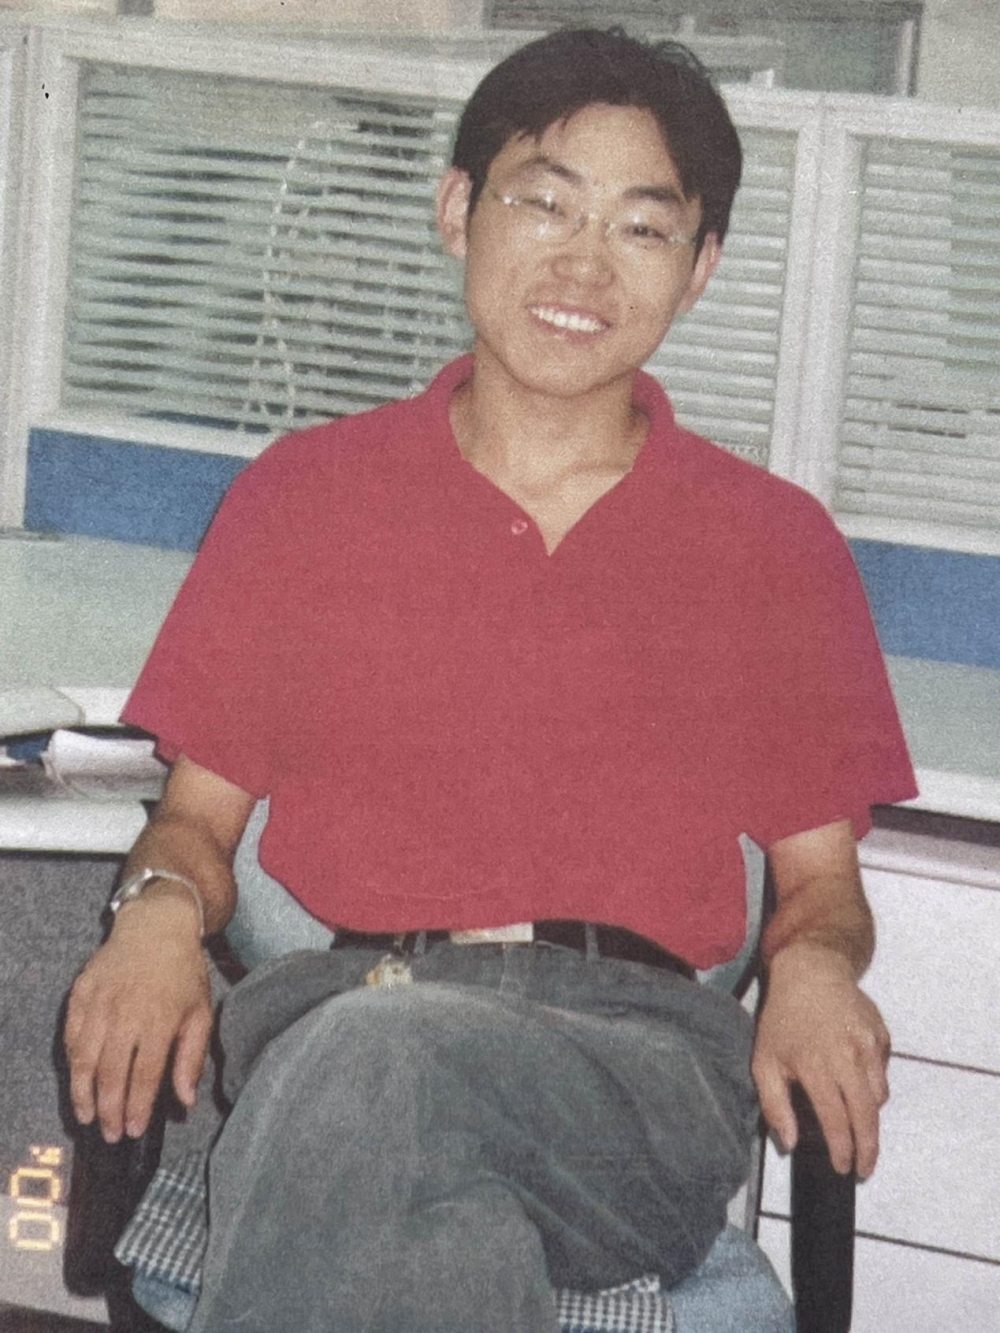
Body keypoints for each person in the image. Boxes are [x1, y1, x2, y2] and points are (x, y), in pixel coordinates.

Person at [64, 27, 916, 1332]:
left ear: (700, 270)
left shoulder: (773, 544)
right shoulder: (305, 499)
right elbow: (193, 823)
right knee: (427, 1212)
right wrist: (157, 912)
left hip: (633, 1071)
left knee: (369, 1079)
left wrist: (814, 968)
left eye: (642, 227)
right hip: (343, 1012)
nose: (584, 264)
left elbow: (821, 892)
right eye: (545, 202)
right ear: (459, 209)